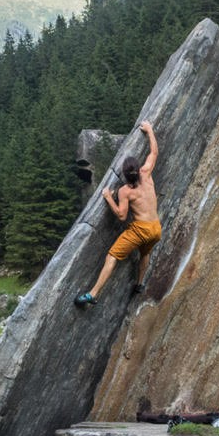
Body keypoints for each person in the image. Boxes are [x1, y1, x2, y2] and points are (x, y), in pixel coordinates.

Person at [75, 120, 161, 308]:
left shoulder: (125, 191)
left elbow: (122, 216)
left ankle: (93, 294)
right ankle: (139, 283)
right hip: (156, 228)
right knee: (145, 252)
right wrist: (150, 131)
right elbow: (154, 152)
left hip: (141, 230)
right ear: (138, 169)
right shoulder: (146, 174)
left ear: (124, 174)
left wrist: (108, 197)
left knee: (112, 256)